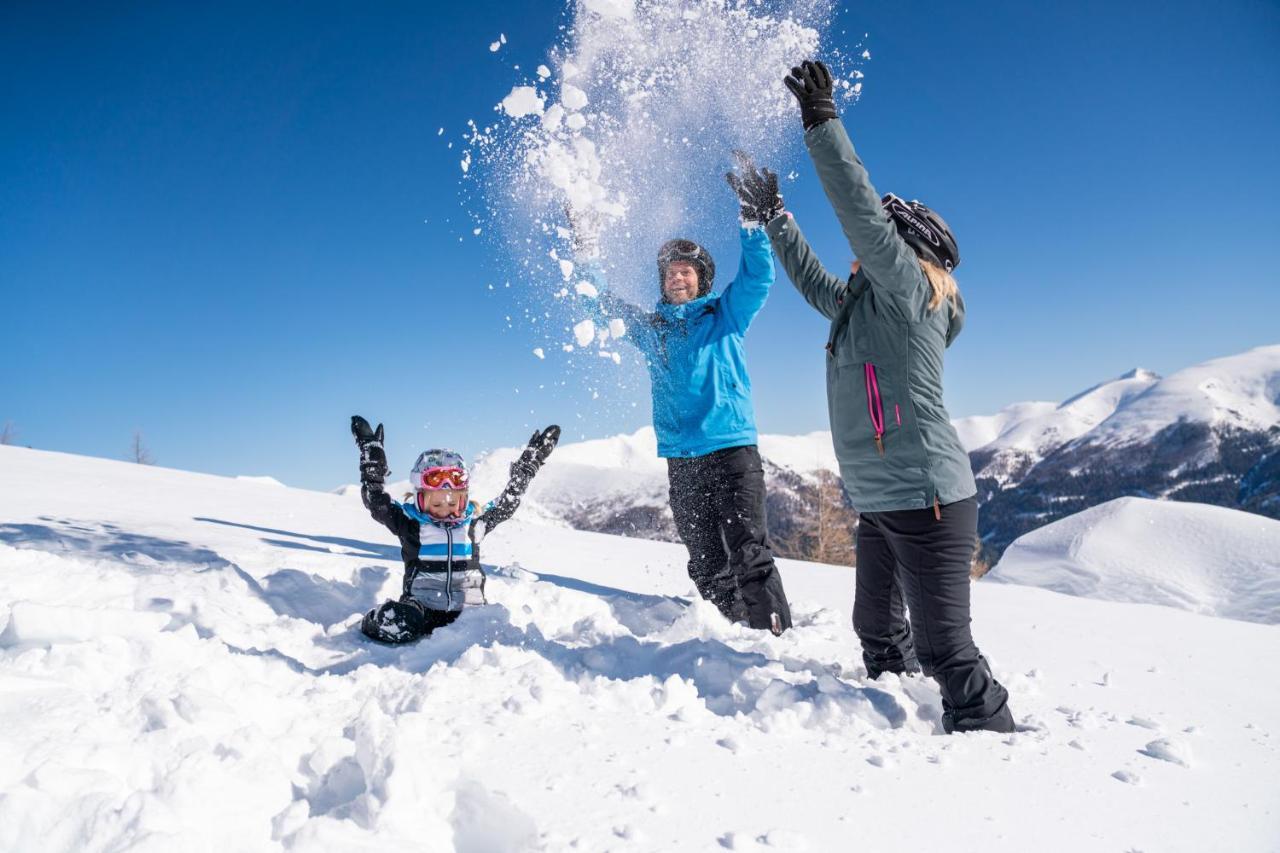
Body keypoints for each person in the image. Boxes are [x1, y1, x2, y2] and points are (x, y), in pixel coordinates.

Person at [760, 59, 1014, 732]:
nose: (863, 254)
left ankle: (997, 748)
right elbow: (817, 284)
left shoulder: (906, 294)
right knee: (875, 626)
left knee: (944, 650)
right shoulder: (866, 305)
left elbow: (858, 210)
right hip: (882, 500)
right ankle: (900, 729)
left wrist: (821, 123)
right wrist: (774, 218)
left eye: (884, 240)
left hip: (928, 500)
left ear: (905, 248)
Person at [569, 161, 793, 635]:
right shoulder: (652, 332)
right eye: (670, 271)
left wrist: (753, 223)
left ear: (703, 279)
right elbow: (598, 304)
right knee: (707, 561)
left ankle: (775, 641)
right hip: (682, 458)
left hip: (731, 450)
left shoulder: (725, 315)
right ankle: (733, 635)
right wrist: (585, 250)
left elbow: (759, 279)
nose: (677, 277)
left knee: (748, 551)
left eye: (687, 271)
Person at [350, 415, 559, 643]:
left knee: (498, 627)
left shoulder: (474, 524)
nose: (445, 510)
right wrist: (372, 458)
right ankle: (376, 619)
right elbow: (377, 502)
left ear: (464, 499)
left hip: (469, 613)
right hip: (422, 610)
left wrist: (529, 466)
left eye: (453, 503)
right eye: (437, 504)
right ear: (420, 499)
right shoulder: (410, 524)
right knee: (400, 621)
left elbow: (507, 503)